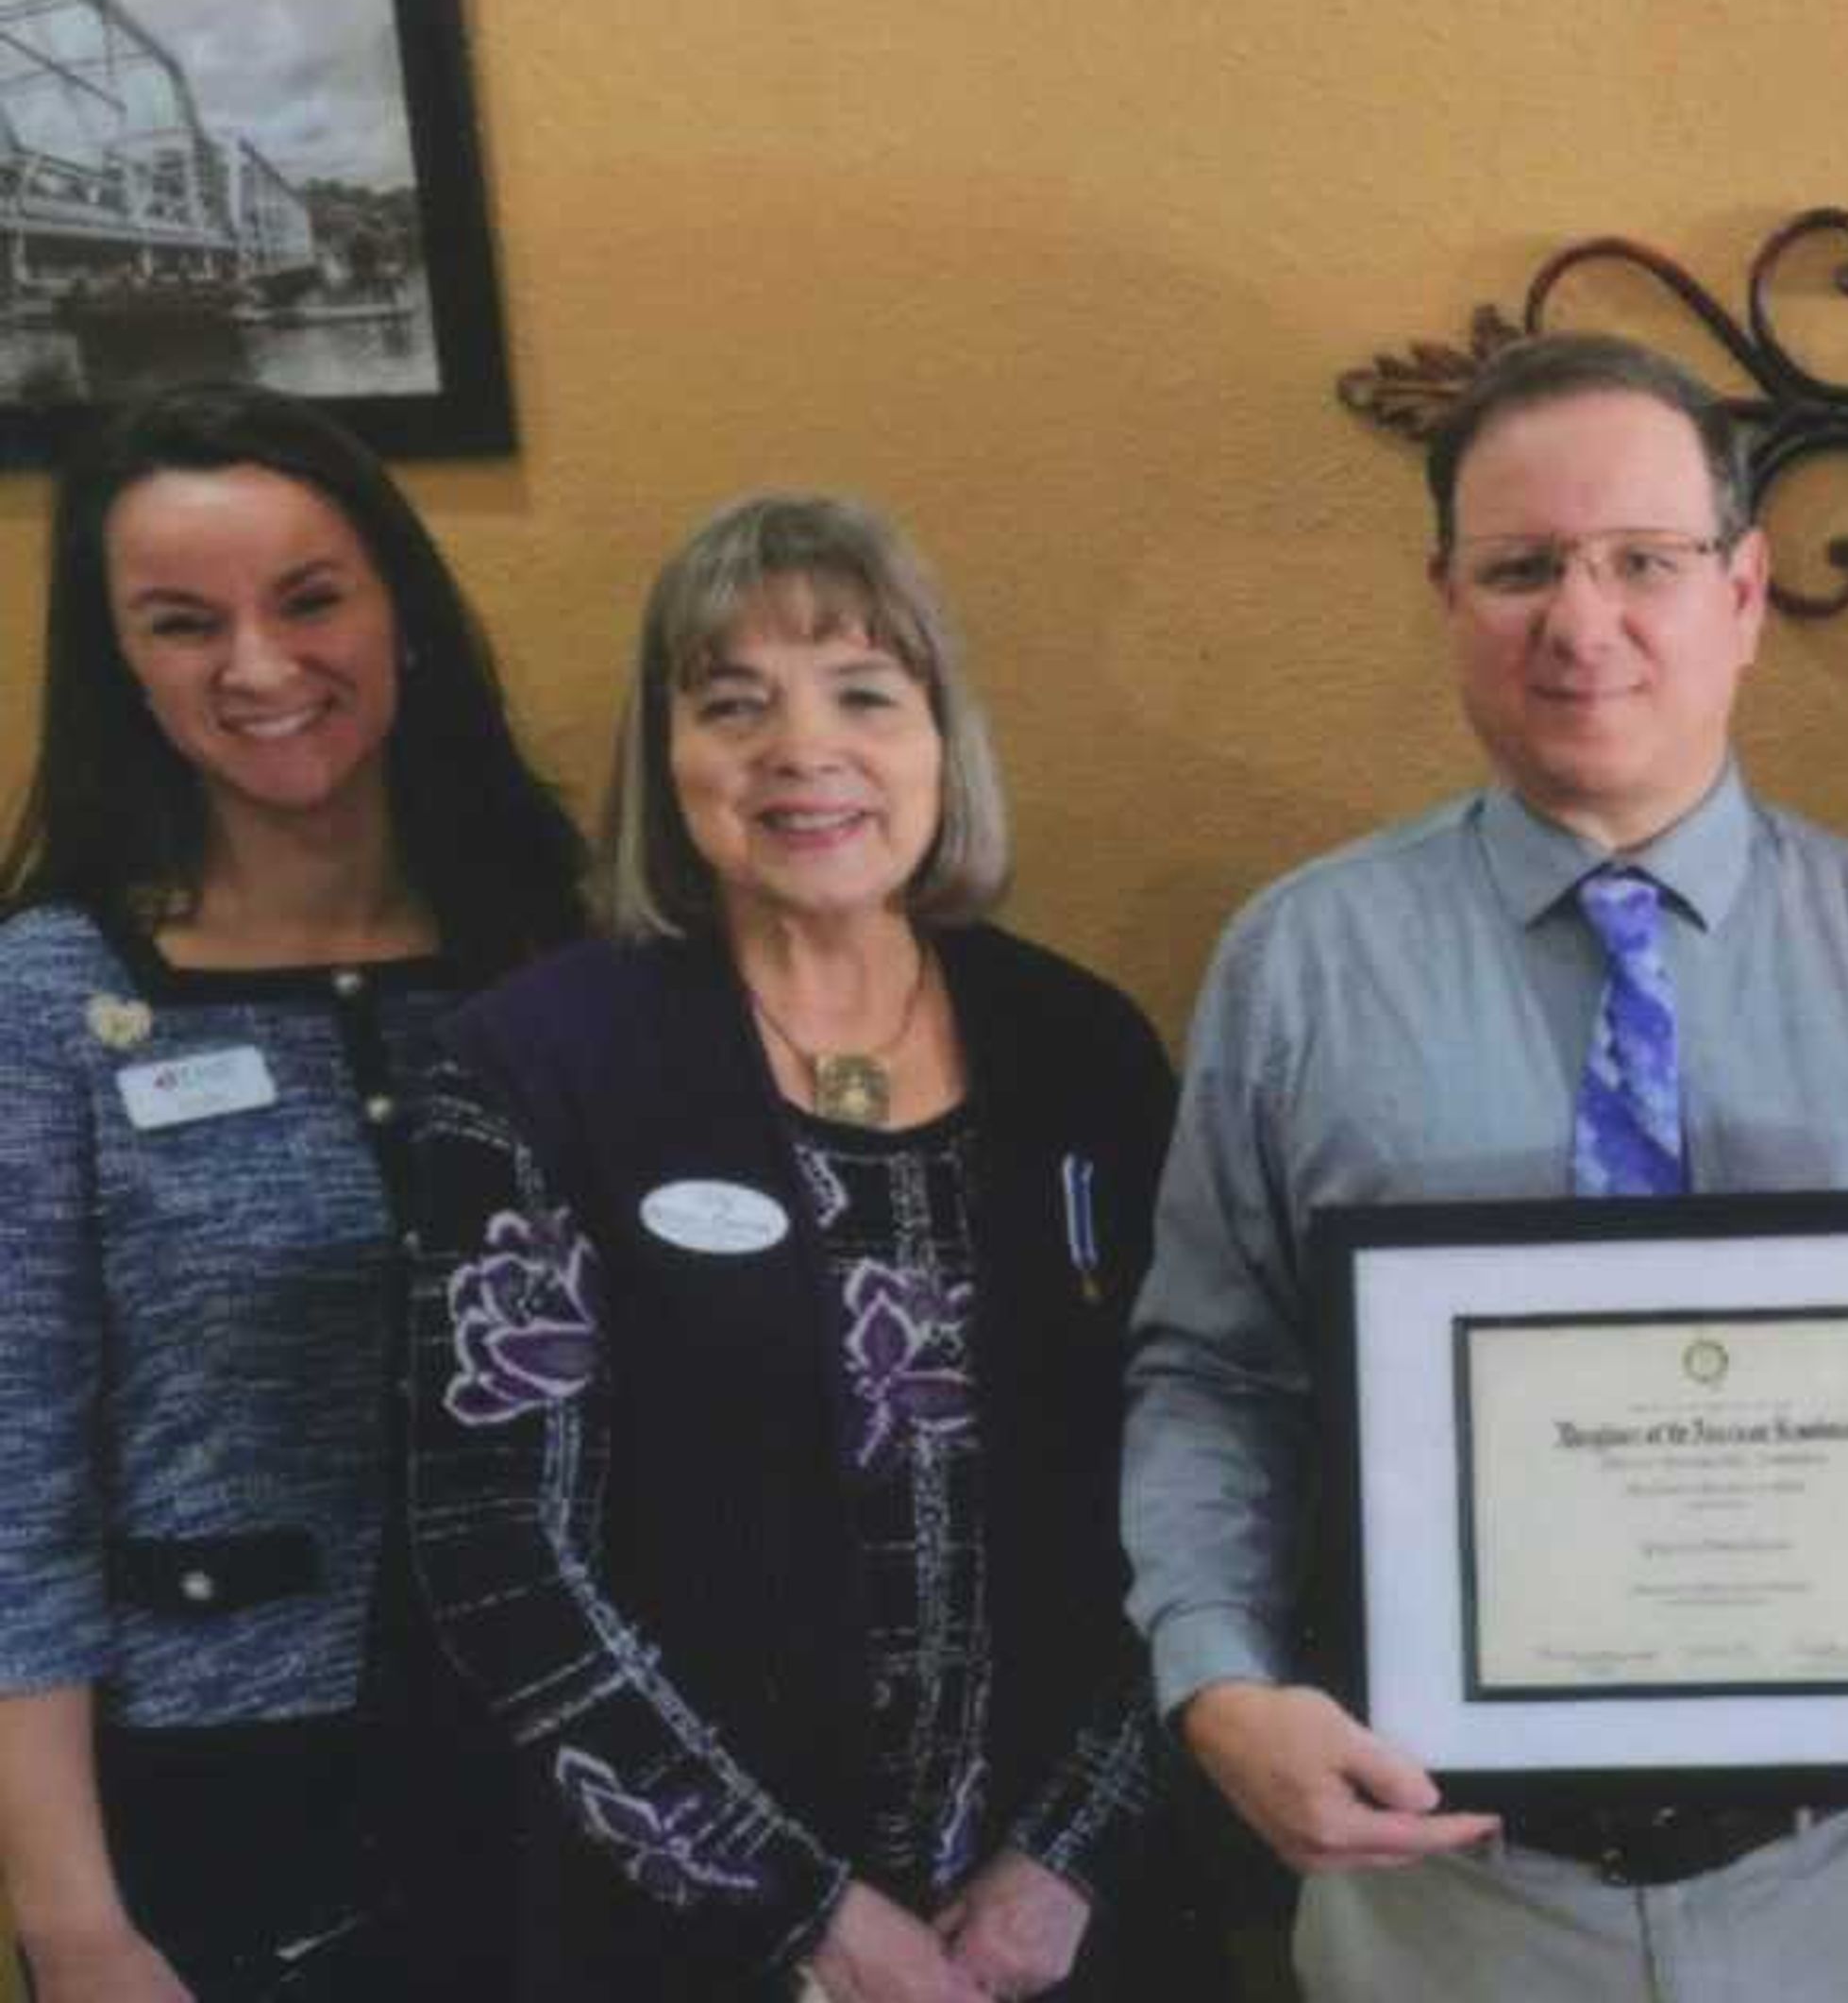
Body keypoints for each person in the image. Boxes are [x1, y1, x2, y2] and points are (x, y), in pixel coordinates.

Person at [1122, 331, 1848, 2000]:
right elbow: (1214, 1370)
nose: (1582, 620)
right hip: (1445, 1897)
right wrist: (1215, 1683)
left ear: (1748, 594)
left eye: (1646, 561)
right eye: (1522, 567)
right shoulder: (1300, 967)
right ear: (1445, 595)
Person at [403, 495, 1174, 2001]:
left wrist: (1075, 1854)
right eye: (731, 704)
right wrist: (803, 1914)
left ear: (943, 742)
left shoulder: (1084, 1049)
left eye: (865, 695)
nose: (801, 750)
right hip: (679, 1938)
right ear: (667, 760)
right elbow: (498, 1554)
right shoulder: (536, 1067)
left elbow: (1204, 1461)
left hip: (1071, 1938)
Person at [0, 382, 586, 2000]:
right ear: (119, 662)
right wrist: (74, 1928)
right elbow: (11, 1491)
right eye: (184, 624)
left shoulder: (562, 958)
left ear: (402, 610)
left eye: (310, 598)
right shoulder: (50, 1001)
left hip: (574, 1768)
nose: (259, 668)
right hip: (221, 1798)